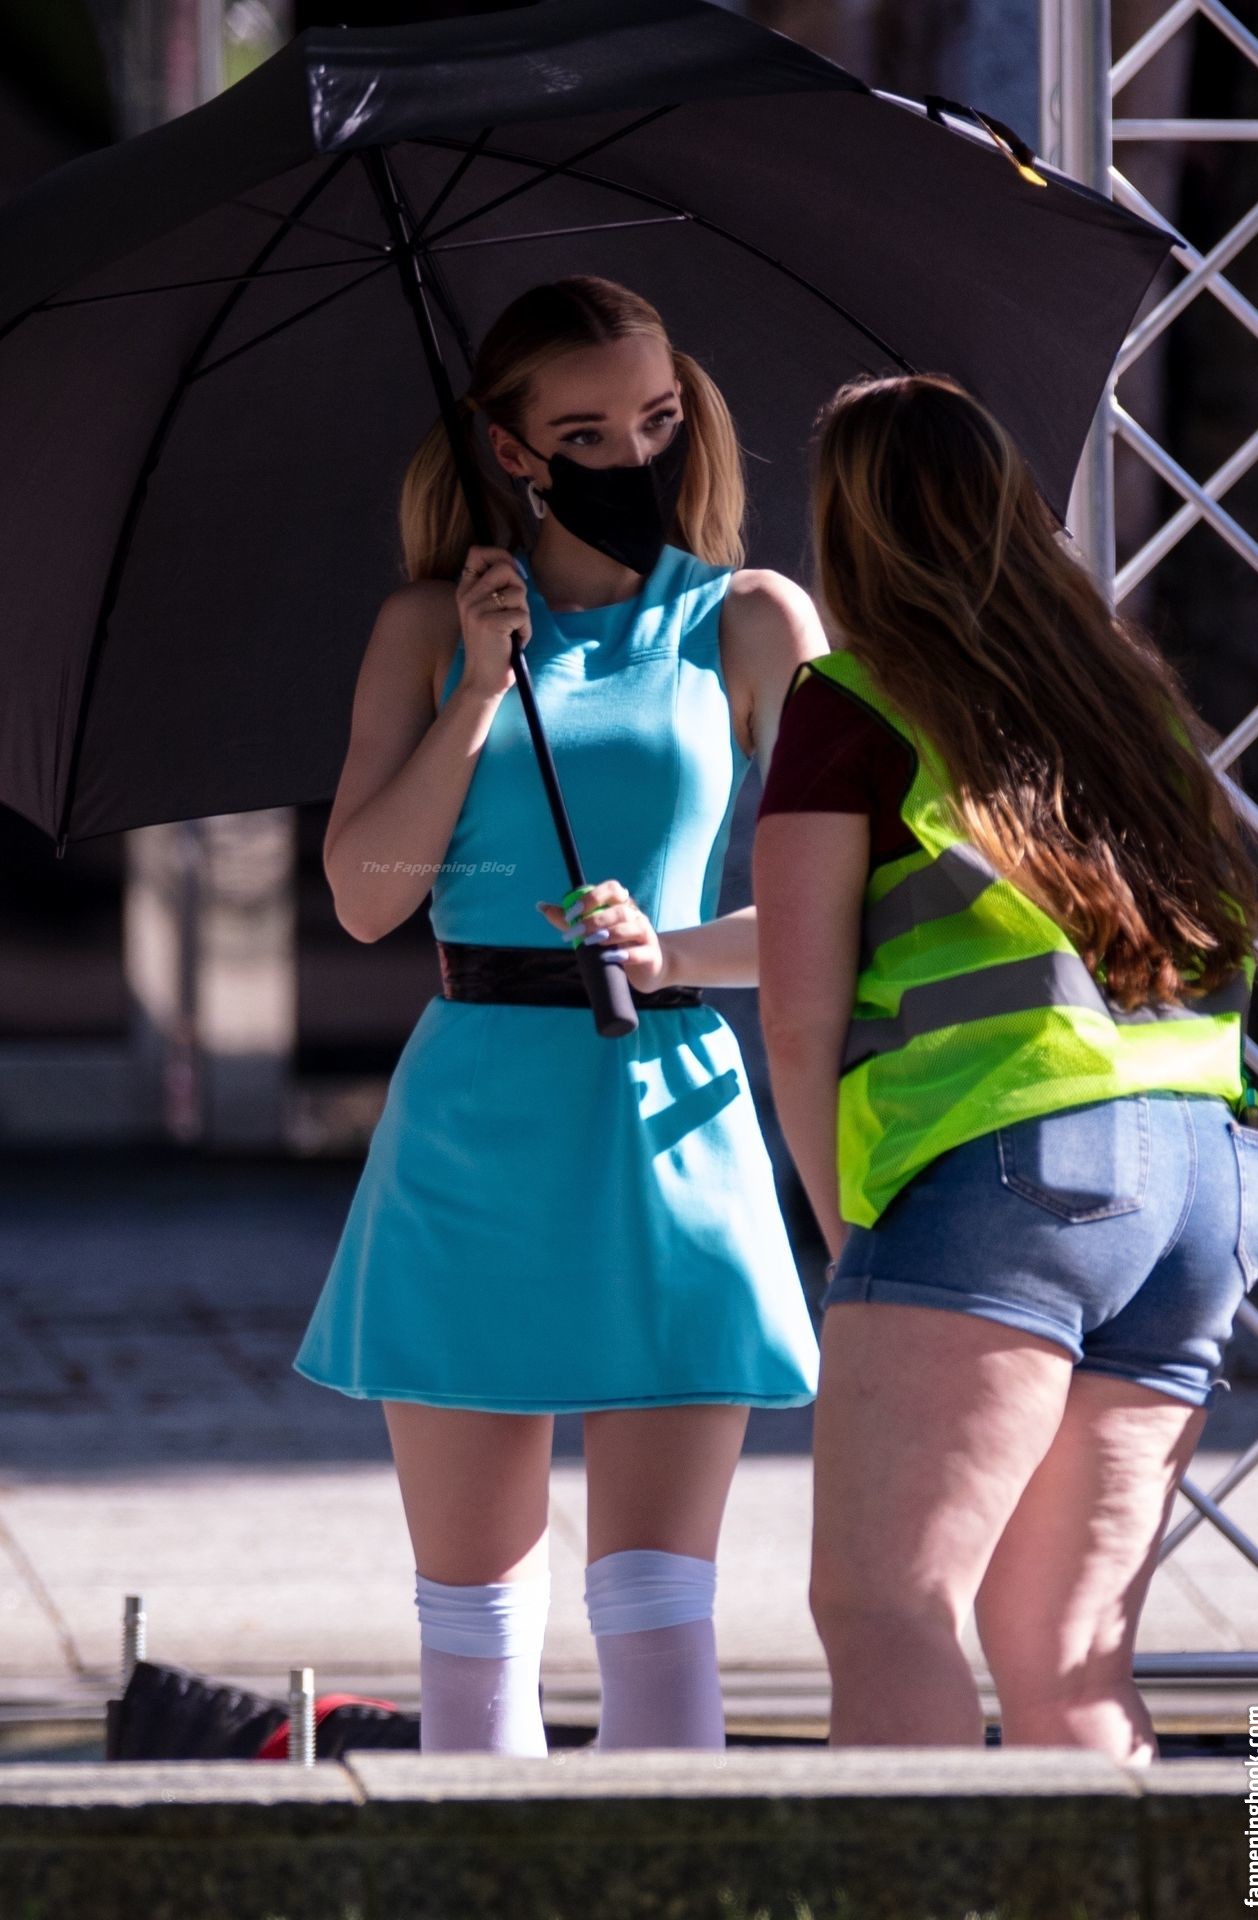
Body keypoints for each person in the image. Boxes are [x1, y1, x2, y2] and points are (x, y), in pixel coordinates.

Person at [292, 275, 825, 1756]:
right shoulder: (427, 627)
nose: (634, 453)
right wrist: (477, 693)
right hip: (474, 1120)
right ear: (512, 449)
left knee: (659, 1616)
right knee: (474, 1638)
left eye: (656, 418)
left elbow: (847, 913)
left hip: (671, 1107)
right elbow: (370, 897)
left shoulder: (752, 620)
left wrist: (672, 948)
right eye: (586, 433)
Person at [753, 370, 1258, 1762]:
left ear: (846, 530)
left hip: (1008, 1169)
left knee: (886, 1607)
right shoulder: (1125, 701)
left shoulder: (850, 703)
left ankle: (919, 1885)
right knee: (1069, 1654)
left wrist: (851, 1233)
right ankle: (1223, 1866)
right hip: (1207, 1177)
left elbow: (800, 1012)